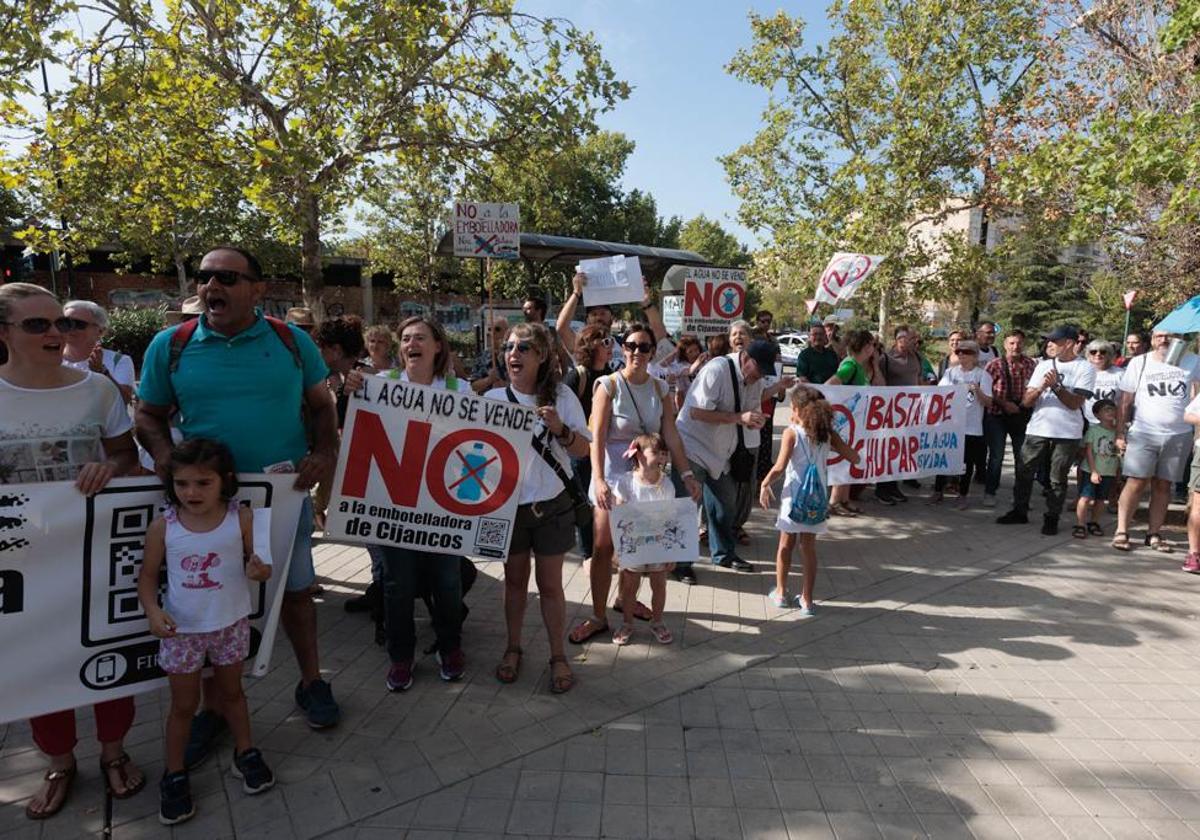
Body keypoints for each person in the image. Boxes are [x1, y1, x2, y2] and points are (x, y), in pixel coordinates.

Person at [136, 246, 341, 752]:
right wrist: (164, 455)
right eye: (206, 278)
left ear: (257, 289)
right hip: (204, 506)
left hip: (283, 495)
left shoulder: (291, 342)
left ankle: (311, 680)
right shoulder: (172, 345)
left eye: (227, 277)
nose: (212, 287)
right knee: (207, 604)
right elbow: (147, 415)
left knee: (295, 591)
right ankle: (214, 708)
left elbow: (322, 406)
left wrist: (325, 450)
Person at [0, 283, 144, 820]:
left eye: (59, 322)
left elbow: (128, 458)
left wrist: (111, 468)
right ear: (4, 333)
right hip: (20, 563)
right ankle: (59, 762)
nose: (56, 333)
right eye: (37, 325)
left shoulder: (98, 391)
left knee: (110, 654)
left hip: (98, 553)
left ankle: (114, 751)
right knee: (37, 663)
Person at [138, 439, 275, 825]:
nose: (191, 492)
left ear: (225, 481)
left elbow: (262, 563)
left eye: (203, 482)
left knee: (233, 694)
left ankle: (245, 751)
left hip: (230, 625)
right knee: (183, 707)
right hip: (183, 632)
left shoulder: (242, 519)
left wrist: (259, 570)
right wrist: (152, 610)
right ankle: (175, 773)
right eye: (182, 484)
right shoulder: (162, 527)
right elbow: (147, 578)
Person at [348, 316, 471, 690]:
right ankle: (401, 657)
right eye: (405, 339)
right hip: (395, 506)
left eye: (419, 337)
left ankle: (449, 647)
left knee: (447, 583)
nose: (410, 343)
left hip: (442, 508)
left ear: (437, 346)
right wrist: (351, 390)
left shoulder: (460, 388)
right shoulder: (379, 386)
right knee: (397, 586)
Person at [569, 323, 700, 641]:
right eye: (630, 345)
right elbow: (596, 438)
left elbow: (671, 434)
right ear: (621, 348)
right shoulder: (608, 385)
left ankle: (623, 601)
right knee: (603, 546)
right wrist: (598, 479)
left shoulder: (660, 389)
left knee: (642, 546)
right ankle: (598, 616)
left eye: (644, 347)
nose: (636, 352)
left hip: (648, 479)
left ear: (653, 352)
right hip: (613, 476)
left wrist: (686, 474)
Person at [486, 322, 591, 694]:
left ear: (542, 355)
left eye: (523, 347)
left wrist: (561, 429)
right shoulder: (493, 401)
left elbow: (582, 450)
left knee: (550, 586)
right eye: (510, 347)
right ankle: (513, 648)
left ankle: (558, 655)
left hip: (552, 506)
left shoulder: (562, 397)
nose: (513, 353)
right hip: (508, 508)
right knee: (514, 583)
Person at [675, 339, 775, 577]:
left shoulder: (755, 379)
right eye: (758, 369)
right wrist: (740, 417)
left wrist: (755, 420)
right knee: (687, 507)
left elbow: (748, 412)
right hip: (693, 448)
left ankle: (723, 554)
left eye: (764, 373)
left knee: (724, 505)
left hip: (721, 453)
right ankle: (680, 565)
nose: (759, 376)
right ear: (745, 357)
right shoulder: (716, 370)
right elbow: (696, 412)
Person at [760, 386, 858, 615]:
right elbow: (854, 457)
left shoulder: (792, 433)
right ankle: (807, 599)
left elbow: (780, 467)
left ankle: (782, 593)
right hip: (817, 500)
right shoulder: (827, 433)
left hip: (793, 498)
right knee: (809, 548)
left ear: (796, 410)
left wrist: (764, 484)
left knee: (785, 544)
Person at [996, 325, 1095, 535]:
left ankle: (1052, 517)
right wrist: (1041, 387)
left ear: (1068, 343)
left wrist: (1056, 387)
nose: (1049, 344)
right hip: (1038, 428)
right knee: (1024, 471)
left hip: (1066, 432)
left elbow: (1075, 403)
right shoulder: (1042, 365)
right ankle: (1019, 511)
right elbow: (1026, 401)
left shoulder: (1085, 368)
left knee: (1057, 478)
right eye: (1048, 340)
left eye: (1054, 340)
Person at [1112, 330, 1200, 552]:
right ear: (1151, 340)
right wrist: (1120, 433)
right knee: (1136, 482)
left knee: (1163, 485)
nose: (1164, 340)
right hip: (1143, 432)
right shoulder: (1140, 363)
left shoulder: (1192, 361)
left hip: (1178, 435)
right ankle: (1122, 530)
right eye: (1159, 336)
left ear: (1180, 338)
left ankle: (1154, 533)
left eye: (1169, 336)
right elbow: (1125, 400)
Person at [610, 433, 680, 646]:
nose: (661, 457)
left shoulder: (667, 484)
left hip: (658, 544)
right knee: (630, 585)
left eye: (663, 453)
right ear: (638, 455)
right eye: (655, 452)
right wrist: (617, 549)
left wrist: (672, 551)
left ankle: (657, 621)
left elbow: (670, 517)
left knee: (659, 584)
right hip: (634, 546)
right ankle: (627, 622)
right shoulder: (626, 483)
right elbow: (619, 515)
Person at [561, 324, 615, 564]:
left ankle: (604, 550)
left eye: (611, 341)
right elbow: (561, 407)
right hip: (582, 450)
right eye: (605, 342)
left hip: (604, 448)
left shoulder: (612, 375)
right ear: (591, 346)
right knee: (585, 501)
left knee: (603, 501)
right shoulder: (578, 375)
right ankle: (588, 554)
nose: (610, 346)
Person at [825, 329, 882, 516]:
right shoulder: (850, 365)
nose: (874, 348)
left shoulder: (859, 366)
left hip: (856, 424)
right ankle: (835, 501)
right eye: (872, 345)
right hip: (847, 424)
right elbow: (831, 384)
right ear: (866, 346)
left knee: (850, 460)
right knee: (844, 460)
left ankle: (844, 499)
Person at [931, 341, 993, 508]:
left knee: (967, 463)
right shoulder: (951, 373)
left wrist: (977, 390)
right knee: (944, 459)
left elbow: (988, 402)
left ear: (975, 355)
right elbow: (939, 394)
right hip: (951, 425)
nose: (961, 355)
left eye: (966, 352)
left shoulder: (982, 375)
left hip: (972, 426)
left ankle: (963, 494)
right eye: (959, 352)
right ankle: (938, 491)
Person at [982, 329, 1037, 507]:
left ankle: (1020, 494)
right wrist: (1003, 403)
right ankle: (990, 492)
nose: (1016, 346)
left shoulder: (1031, 364)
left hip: (1021, 415)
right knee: (996, 456)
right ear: (1005, 345)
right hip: (997, 415)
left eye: (1019, 343)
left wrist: (1023, 404)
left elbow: (1035, 388)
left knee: (1022, 456)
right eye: (1012, 343)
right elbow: (985, 391)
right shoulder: (994, 365)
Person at [875, 325, 922, 504]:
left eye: (913, 339)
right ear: (899, 339)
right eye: (910, 339)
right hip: (890, 412)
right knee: (887, 450)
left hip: (910, 412)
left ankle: (893, 486)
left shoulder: (916, 357)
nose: (913, 342)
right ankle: (882, 488)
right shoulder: (885, 359)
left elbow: (919, 380)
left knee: (901, 450)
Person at [60, 300, 136, 405]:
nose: (71, 328)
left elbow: (123, 401)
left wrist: (102, 373)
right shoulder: (48, 360)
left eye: (79, 324)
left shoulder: (119, 361)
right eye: (66, 323)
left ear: (100, 331)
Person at [1074, 399, 1120, 540]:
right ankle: (1080, 524)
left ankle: (1094, 522)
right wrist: (1093, 471)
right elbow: (1088, 451)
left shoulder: (1118, 432)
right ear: (1097, 414)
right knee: (1085, 497)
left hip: (1109, 471)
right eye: (1106, 409)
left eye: (1112, 409)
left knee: (1101, 499)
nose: (1110, 412)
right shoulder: (1094, 430)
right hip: (1091, 470)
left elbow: (1119, 454)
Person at [470, 316, 512, 393]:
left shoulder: (513, 355)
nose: (492, 332)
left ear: (507, 332)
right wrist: (489, 380)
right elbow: (473, 386)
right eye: (489, 329)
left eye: (497, 329)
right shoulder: (482, 356)